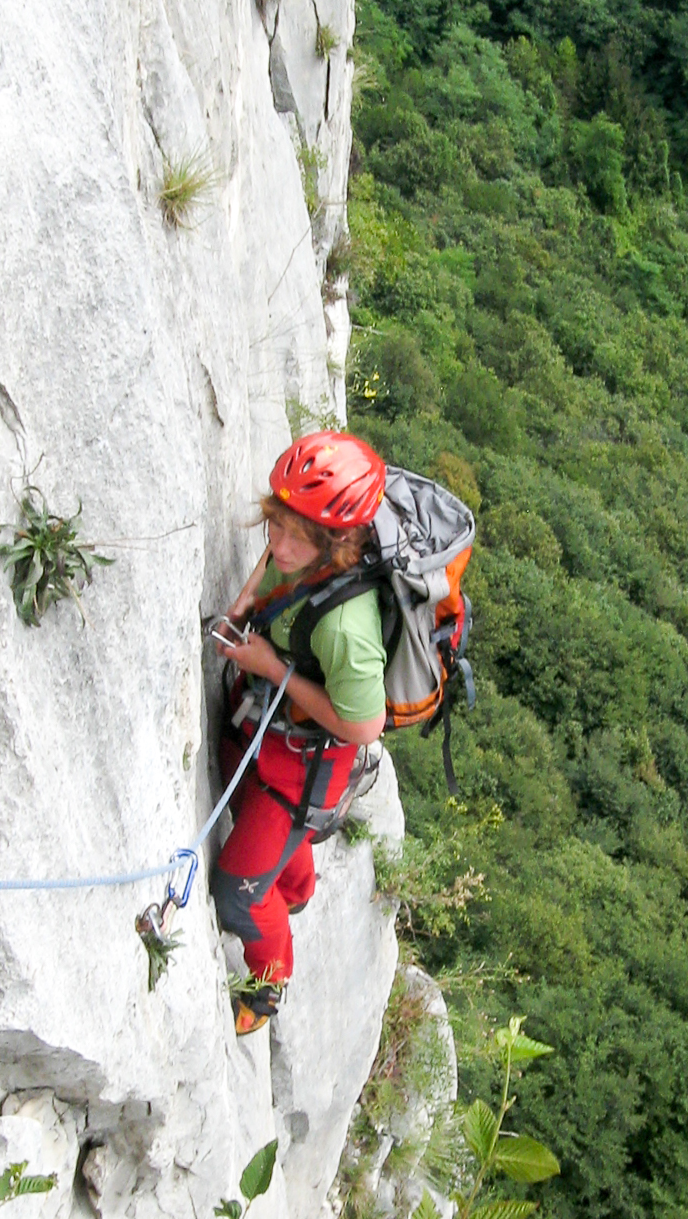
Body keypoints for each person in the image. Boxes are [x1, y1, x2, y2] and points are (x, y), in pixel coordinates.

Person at [211, 431, 388, 1035]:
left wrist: (273, 669)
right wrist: (242, 612)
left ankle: (269, 984)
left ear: (337, 543)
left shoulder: (345, 628)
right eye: (275, 525)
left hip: (302, 764)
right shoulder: (304, 559)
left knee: (236, 894)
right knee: (250, 819)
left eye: (298, 537)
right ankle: (294, 885)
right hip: (268, 733)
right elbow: (277, 579)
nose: (280, 546)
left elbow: (365, 726)